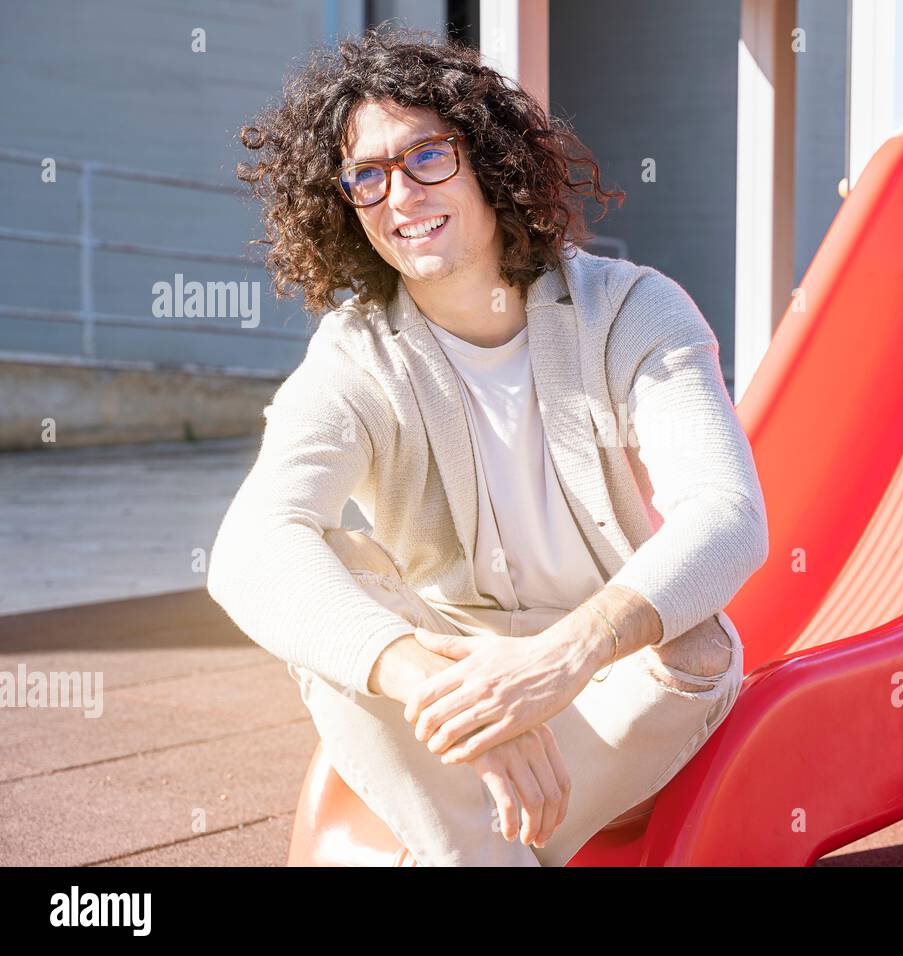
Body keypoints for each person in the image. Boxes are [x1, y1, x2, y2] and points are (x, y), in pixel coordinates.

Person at [206, 24, 768, 866]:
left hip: (605, 683)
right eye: (366, 176)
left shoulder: (634, 311)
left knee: (696, 642)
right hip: (448, 677)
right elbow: (249, 550)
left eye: (427, 157)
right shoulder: (357, 354)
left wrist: (558, 661)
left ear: (489, 161)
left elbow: (727, 516)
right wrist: (453, 699)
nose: (399, 196)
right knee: (334, 585)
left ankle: (462, 835)